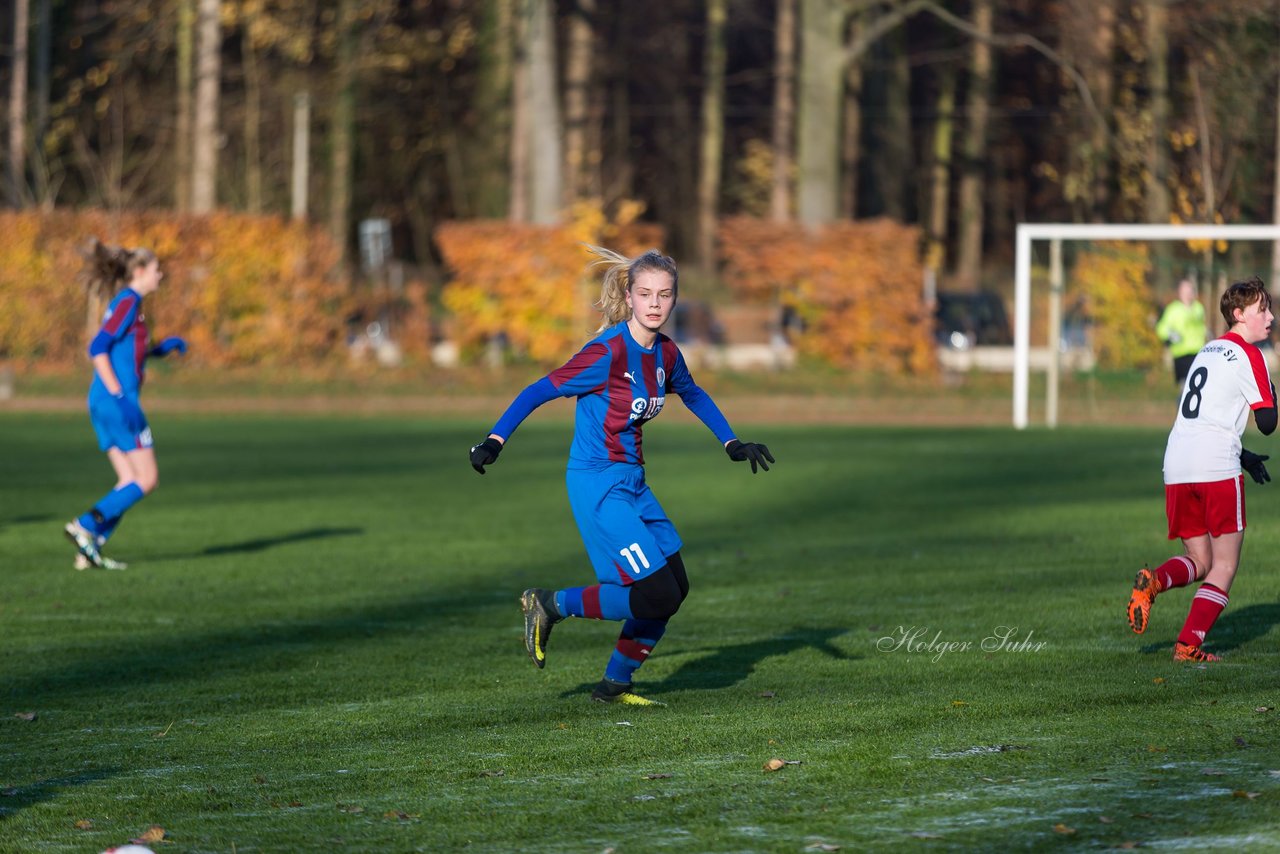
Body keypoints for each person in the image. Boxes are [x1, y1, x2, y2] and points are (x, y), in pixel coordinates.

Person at [469, 245, 774, 706]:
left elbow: (693, 394)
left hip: (632, 483)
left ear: (675, 299)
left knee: (676, 588)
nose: (655, 303)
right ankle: (551, 604)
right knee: (653, 594)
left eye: (665, 295)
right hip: (597, 484)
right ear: (629, 296)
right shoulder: (606, 353)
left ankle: (614, 685)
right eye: (646, 293)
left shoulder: (666, 354)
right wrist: (495, 440)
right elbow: (538, 390)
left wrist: (731, 442)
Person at [1127, 276, 1276, 662]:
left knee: (1201, 561)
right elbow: (1268, 422)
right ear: (1240, 315)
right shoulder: (1250, 354)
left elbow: (1207, 417)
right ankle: (1188, 645)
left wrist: (1244, 456)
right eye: (1264, 310)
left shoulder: (1207, 349)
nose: (1271, 317)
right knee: (1225, 564)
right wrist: (1272, 388)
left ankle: (1154, 581)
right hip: (1214, 468)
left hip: (1177, 463)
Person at [63, 240, 187, 570]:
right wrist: (121, 396)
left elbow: (124, 350)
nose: (161, 275)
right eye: (157, 269)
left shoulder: (130, 305)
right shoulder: (128, 302)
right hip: (116, 403)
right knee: (147, 479)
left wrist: (158, 350)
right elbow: (98, 347)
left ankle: (89, 550)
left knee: (128, 481)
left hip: (103, 403)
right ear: (141, 271)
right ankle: (85, 526)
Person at [1156, 278, 1209, 384]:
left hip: (1198, 352)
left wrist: (1207, 335)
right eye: (1185, 291)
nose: (1188, 293)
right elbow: (1161, 327)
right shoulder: (1173, 309)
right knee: (1185, 386)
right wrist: (1171, 335)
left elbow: (1201, 327)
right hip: (1181, 353)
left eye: (1190, 290)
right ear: (1180, 292)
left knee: (1200, 384)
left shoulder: (1198, 308)